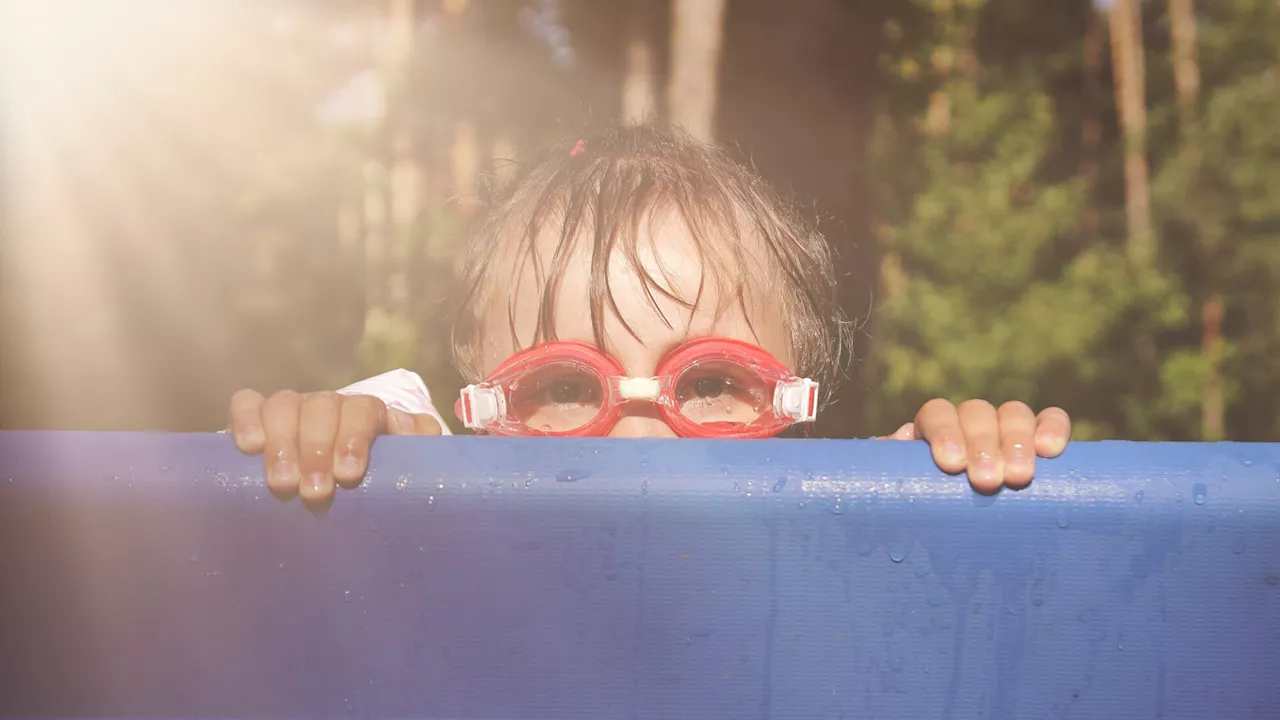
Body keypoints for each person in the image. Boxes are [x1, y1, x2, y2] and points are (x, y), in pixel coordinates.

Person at [227, 125, 1071, 507]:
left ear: (795, 414)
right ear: (481, 417)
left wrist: (945, 496)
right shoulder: (430, 549)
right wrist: (350, 456)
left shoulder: (843, 557)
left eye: (707, 382)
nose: (639, 446)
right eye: (563, 385)